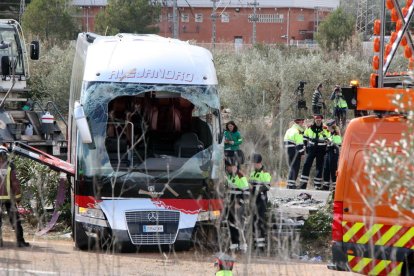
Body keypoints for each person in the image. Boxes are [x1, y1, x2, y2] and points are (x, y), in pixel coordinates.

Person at [0, 146, 30, 247]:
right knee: (15, 220)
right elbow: (15, 183)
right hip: (9, 199)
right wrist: (18, 197)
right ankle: (20, 242)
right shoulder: (10, 166)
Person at [224, 157, 249, 252]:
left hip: (238, 205)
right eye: (226, 167)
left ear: (234, 166)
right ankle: (234, 244)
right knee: (231, 223)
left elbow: (246, 193)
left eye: (228, 167)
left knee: (239, 225)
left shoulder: (240, 176)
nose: (227, 169)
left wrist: (239, 203)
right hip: (230, 204)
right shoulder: (229, 176)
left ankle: (243, 245)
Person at [299, 115, 330, 190]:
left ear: (322, 120)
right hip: (311, 148)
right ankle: (303, 184)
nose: (318, 121)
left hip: (321, 149)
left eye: (319, 119)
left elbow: (329, 139)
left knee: (319, 167)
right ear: (314, 120)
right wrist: (306, 146)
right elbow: (305, 137)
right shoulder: (309, 128)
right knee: (307, 165)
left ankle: (317, 185)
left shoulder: (325, 129)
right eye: (317, 119)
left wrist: (327, 147)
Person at [248, 153, 271, 249]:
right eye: (253, 163)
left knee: (260, 222)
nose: (254, 165)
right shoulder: (253, 173)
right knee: (253, 222)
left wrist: (256, 189)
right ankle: (255, 243)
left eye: (255, 163)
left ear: (260, 163)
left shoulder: (265, 173)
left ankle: (261, 246)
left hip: (261, 200)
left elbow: (267, 187)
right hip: (254, 200)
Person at [283, 118, 305, 189]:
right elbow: (299, 144)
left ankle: (289, 184)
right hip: (294, 150)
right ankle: (292, 185)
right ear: (299, 122)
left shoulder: (289, 130)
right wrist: (302, 153)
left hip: (287, 150)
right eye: (302, 121)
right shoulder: (298, 131)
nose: (303, 123)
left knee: (291, 167)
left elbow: (284, 141)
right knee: (295, 167)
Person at [322, 119, 342, 191]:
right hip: (328, 151)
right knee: (326, 168)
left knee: (333, 169)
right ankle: (325, 186)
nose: (328, 128)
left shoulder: (336, 133)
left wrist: (330, 141)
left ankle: (335, 186)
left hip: (333, 152)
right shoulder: (329, 133)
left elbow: (338, 143)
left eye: (329, 127)